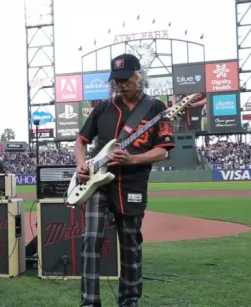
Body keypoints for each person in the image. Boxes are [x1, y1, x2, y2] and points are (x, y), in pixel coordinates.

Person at [74, 54, 175, 307]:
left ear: (139, 77)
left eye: (125, 79)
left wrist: (131, 160)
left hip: (132, 186)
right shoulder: (103, 107)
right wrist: (81, 165)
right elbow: (80, 141)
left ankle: (129, 302)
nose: (120, 85)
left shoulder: (157, 108)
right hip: (99, 184)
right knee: (90, 240)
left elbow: (162, 151)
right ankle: (89, 302)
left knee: (130, 247)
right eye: (116, 80)